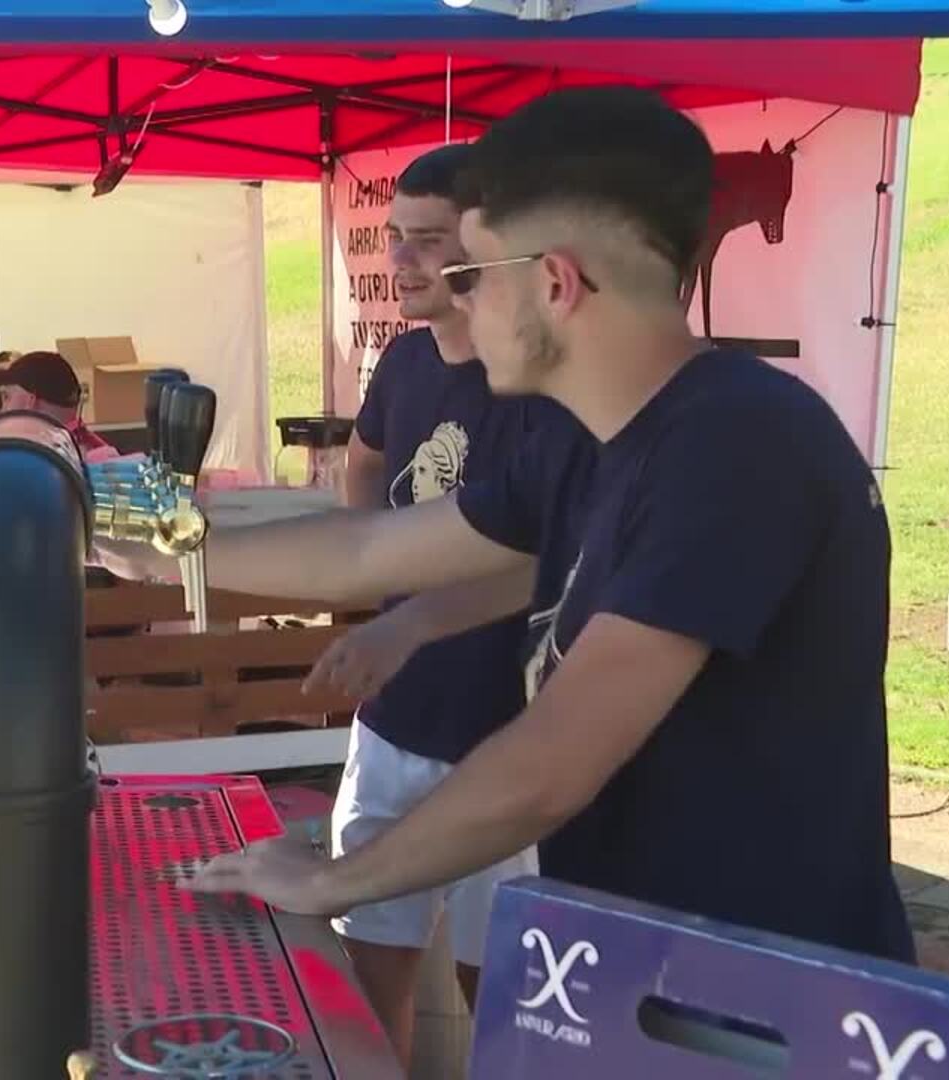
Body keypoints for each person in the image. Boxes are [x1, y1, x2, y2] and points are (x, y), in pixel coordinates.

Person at [106, 86, 914, 965]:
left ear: (554, 283)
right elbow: (368, 548)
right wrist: (163, 552)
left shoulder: (736, 445)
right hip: (647, 969)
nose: (460, 306)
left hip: (766, 994)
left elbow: (553, 762)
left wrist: (334, 879)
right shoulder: (593, 442)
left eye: (471, 276)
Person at [316, 144, 589, 1066]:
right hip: (393, 723)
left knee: (505, 999)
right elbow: (364, 459)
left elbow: (555, 560)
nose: (399, 260)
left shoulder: (540, 389)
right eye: (394, 236)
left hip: (502, 736)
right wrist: (373, 579)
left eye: (427, 240)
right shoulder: (402, 363)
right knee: (368, 983)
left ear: (485, 246)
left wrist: (413, 615)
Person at [0, 350, 120, 462]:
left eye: (7, 397)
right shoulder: (101, 457)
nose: (2, 410)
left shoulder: (25, 463)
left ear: (29, 402)